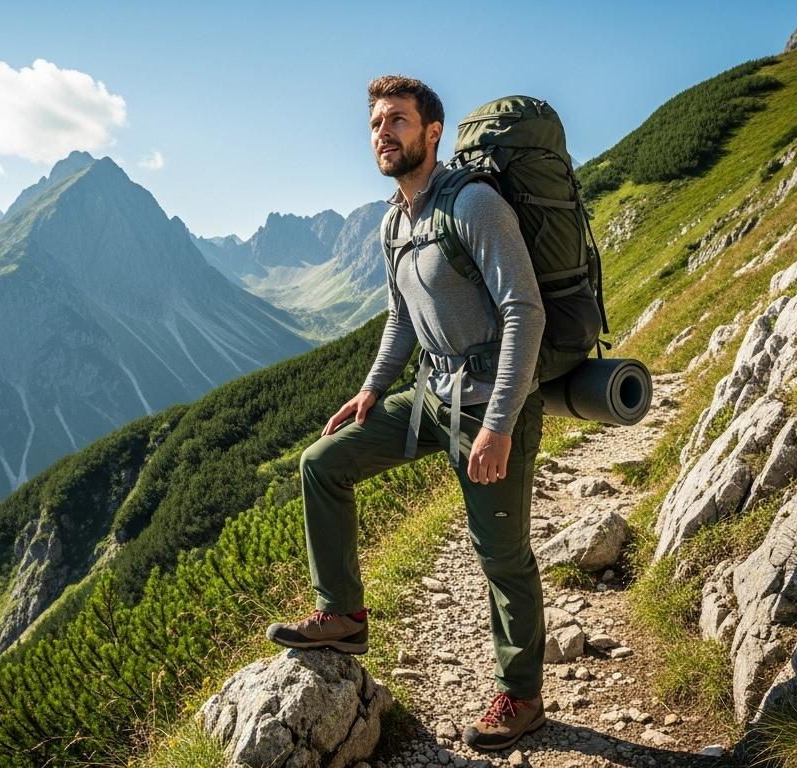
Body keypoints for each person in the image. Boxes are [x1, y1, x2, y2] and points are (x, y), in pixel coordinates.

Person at [265, 75, 549, 752]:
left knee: (500, 556)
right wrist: (370, 390)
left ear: (431, 132)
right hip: (432, 396)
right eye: (375, 124)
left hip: (489, 404)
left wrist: (500, 425)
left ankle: (522, 694)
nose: (383, 133)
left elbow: (524, 312)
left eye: (397, 120)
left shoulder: (474, 205)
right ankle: (341, 612)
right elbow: (401, 318)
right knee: (323, 464)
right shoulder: (395, 221)